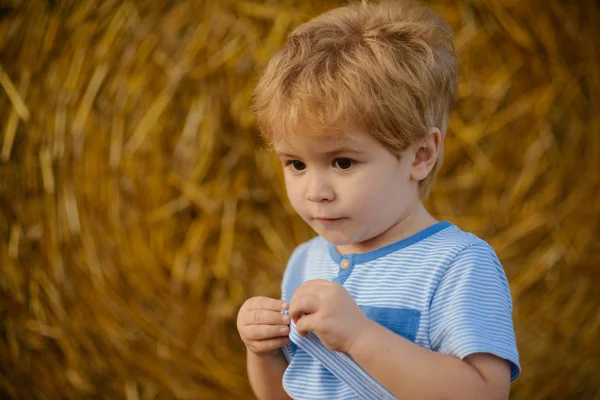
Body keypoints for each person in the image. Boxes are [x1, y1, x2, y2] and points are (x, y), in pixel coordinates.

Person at [236, 0, 520, 399]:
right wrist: (261, 352)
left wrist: (360, 336)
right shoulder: (306, 262)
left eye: (343, 162)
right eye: (296, 164)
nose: (316, 191)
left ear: (420, 155)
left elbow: (485, 394)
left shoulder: (457, 265)